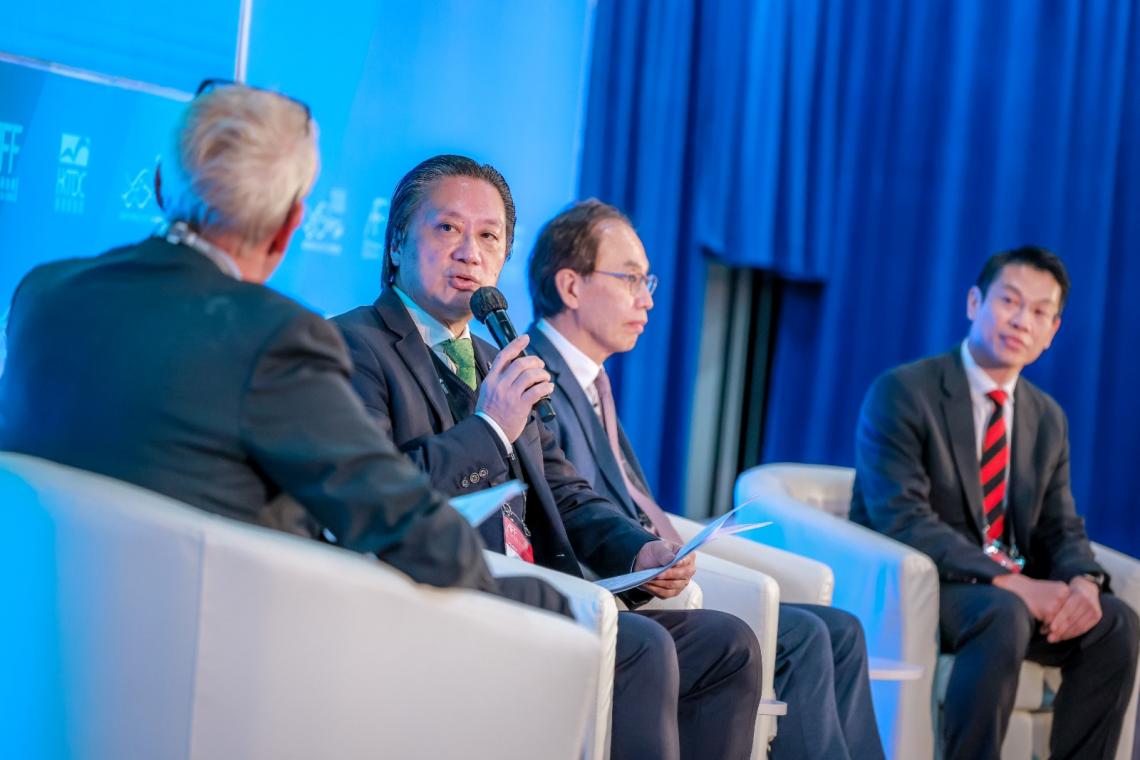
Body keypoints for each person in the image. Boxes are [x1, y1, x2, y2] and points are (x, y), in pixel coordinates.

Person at [0, 81, 548, 605]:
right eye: (447, 228)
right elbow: (406, 528)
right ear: (289, 227)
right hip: (220, 631)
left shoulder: (42, 292)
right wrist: (558, 604)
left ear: (161, 185)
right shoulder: (279, 339)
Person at [332, 154, 763, 760]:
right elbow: (378, 495)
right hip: (442, 598)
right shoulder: (352, 345)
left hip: (542, 593)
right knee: (640, 648)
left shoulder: (498, 358)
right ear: (398, 242)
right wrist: (490, 427)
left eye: (489, 237)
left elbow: (564, 491)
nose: (469, 252)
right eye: (447, 228)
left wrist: (639, 550)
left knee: (727, 644)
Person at [524, 199, 886, 760]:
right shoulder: (533, 377)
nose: (647, 299)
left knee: (841, 630)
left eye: (648, 282)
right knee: (807, 637)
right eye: (630, 279)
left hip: (651, 575)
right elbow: (568, 508)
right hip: (605, 589)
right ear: (571, 286)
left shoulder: (592, 382)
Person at [851, 246, 1139, 759]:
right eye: (1009, 301)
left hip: (1006, 594)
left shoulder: (1046, 418)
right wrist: (1014, 583)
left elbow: (1060, 525)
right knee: (1004, 612)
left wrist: (1083, 582)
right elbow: (902, 518)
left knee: (1115, 623)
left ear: (1052, 330)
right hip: (930, 582)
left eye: (1040, 312)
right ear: (974, 303)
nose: (1022, 320)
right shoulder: (904, 392)